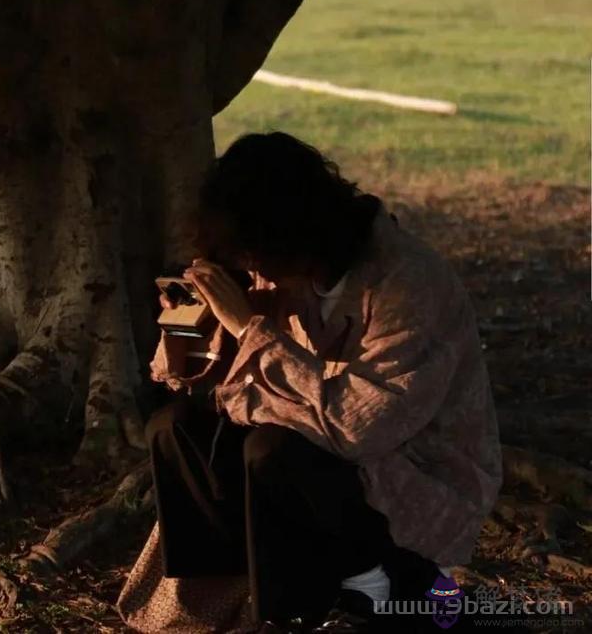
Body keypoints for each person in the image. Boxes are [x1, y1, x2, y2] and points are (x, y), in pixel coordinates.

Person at [147, 131, 502, 633]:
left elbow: (358, 427)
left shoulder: (409, 285)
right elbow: (206, 382)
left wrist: (250, 327)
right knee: (175, 427)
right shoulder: (280, 266)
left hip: (413, 473)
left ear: (294, 233)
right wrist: (193, 325)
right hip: (319, 446)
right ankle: (231, 598)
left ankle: (317, 605)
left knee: (271, 451)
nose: (252, 269)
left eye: (255, 254)